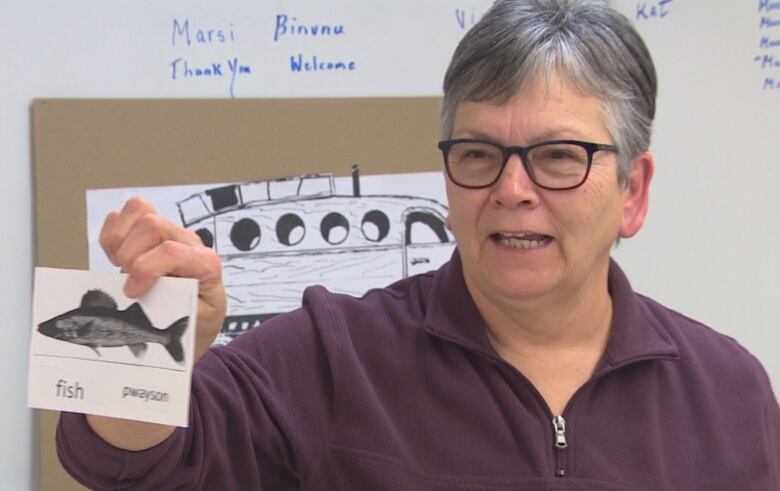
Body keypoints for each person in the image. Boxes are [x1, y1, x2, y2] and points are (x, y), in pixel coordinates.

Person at [57, 0, 779, 489]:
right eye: (477, 153)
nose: (512, 188)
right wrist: (145, 332)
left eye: (558, 155)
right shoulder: (331, 354)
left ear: (633, 191)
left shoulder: (731, 394)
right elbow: (117, 460)